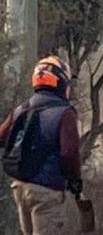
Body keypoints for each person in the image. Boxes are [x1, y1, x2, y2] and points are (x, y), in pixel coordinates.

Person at [0, 56, 82, 234]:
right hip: (47, 191)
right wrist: (75, 180)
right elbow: (69, 153)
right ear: (61, 81)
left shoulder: (22, 108)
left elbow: (1, 137)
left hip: (20, 187)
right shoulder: (65, 113)